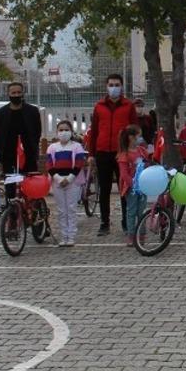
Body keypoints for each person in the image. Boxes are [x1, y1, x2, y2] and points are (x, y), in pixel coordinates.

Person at [87, 74, 139, 236]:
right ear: (106, 86)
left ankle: (126, 222)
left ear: (122, 86)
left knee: (124, 188)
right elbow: (94, 131)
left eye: (117, 85)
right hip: (103, 152)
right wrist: (91, 154)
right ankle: (104, 223)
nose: (114, 88)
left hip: (122, 153)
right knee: (104, 189)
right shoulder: (99, 106)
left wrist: (133, 151)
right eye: (111, 85)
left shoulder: (128, 106)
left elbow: (135, 130)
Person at [0, 81, 42, 200]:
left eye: (19, 92)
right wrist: (1, 154)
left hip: (28, 155)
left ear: (23, 93)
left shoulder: (32, 111)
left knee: (30, 187)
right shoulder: (0, 114)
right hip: (8, 157)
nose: (16, 95)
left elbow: (37, 132)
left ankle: (31, 208)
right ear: (8, 94)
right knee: (10, 189)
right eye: (13, 93)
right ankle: (11, 208)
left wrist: (33, 149)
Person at [46, 120, 87, 247]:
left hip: (73, 182)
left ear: (71, 131)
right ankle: (63, 236)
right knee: (61, 210)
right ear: (57, 132)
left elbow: (79, 164)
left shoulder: (77, 146)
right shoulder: (52, 147)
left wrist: (69, 179)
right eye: (61, 130)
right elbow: (49, 165)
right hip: (57, 182)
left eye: (66, 130)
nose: (63, 132)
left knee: (71, 209)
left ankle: (71, 236)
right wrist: (58, 179)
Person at [117, 124, 148, 245]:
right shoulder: (124, 155)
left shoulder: (142, 151)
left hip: (143, 187)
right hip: (131, 188)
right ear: (131, 137)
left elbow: (147, 165)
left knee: (142, 212)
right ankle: (131, 235)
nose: (141, 138)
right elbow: (124, 174)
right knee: (131, 211)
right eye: (139, 136)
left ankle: (142, 235)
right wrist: (134, 185)